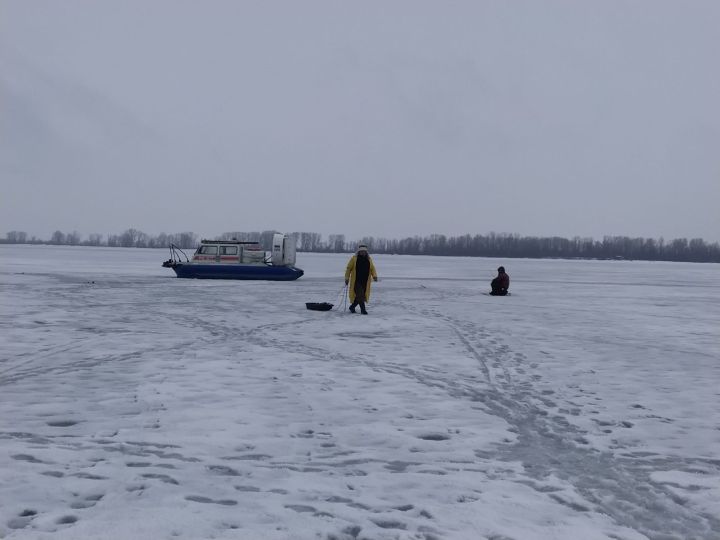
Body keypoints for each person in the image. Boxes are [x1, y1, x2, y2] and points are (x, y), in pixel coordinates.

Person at [344, 244, 378, 314]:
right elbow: (348, 268)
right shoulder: (354, 258)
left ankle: (352, 307)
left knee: (360, 296)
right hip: (356, 281)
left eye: (364, 251)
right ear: (358, 252)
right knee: (360, 295)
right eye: (361, 251)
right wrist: (347, 278)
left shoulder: (369, 259)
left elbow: (372, 268)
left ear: (366, 252)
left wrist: (374, 276)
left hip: (365, 281)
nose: (363, 252)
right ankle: (363, 310)